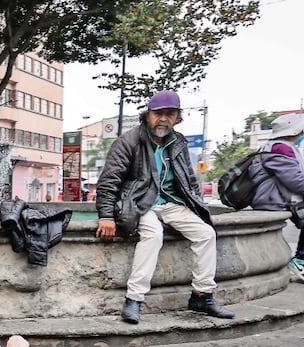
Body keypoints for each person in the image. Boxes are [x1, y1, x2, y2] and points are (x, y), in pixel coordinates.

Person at [95, 90, 235, 325]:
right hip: (140, 202)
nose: (163, 119)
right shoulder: (129, 141)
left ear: (177, 117)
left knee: (206, 234)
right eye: (158, 113)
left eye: (170, 114)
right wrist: (106, 215)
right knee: (153, 234)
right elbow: (109, 181)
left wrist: (199, 206)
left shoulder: (178, 142)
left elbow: (190, 180)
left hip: (171, 203)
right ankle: (134, 299)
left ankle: (202, 295)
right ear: (148, 114)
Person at [250, 114, 304, 284]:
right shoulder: (282, 148)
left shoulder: (272, 146)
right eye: (301, 131)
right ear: (293, 132)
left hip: (276, 197)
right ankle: (301, 260)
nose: (302, 134)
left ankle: (301, 260)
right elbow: (295, 180)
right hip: (278, 199)